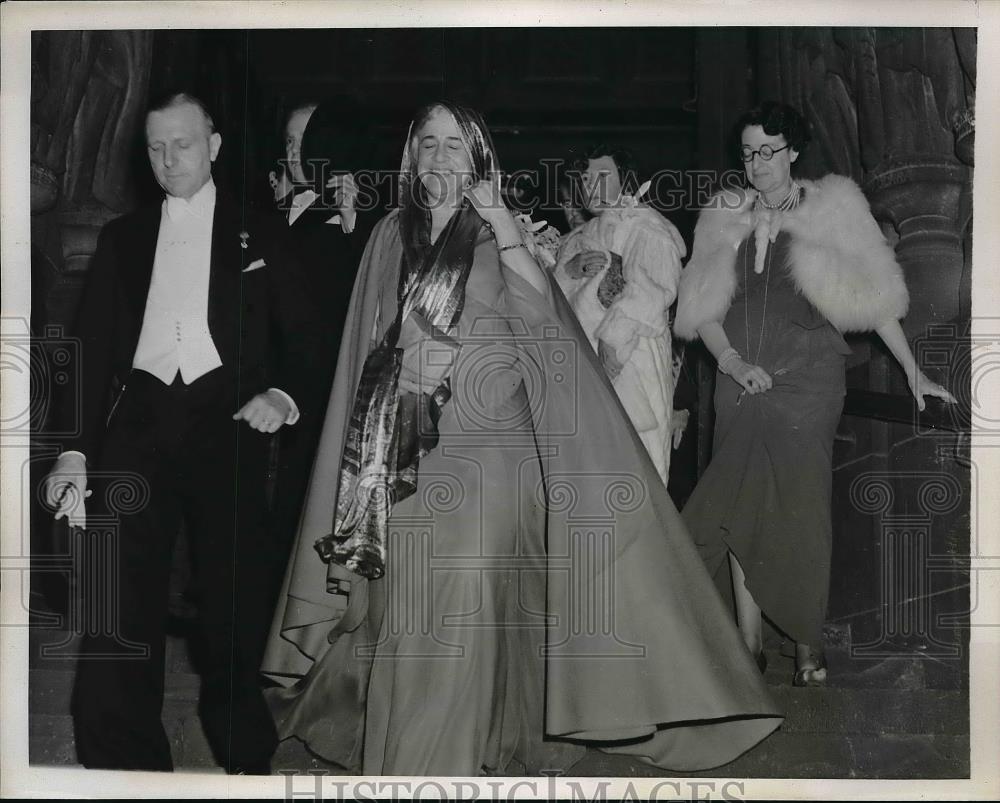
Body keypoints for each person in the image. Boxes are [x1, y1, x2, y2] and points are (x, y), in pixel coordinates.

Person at [262, 100, 783, 777]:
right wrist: (392, 370)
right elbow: (365, 340)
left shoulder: (498, 234)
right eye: (429, 143)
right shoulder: (389, 233)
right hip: (407, 447)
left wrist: (504, 220)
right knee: (409, 603)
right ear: (411, 155)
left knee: (466, 586)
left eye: (457, 145)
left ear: (478, 158)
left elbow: (543, 323)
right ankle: (433, 753)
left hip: (492, 451)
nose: (441, 158)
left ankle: (428, 767)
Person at [42, 91, 321, 773]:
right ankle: (123, 765)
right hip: (137, 423)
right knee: (116, 599)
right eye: (156, 147)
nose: (169, 159)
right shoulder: (123, 237)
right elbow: (90, 345)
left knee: (231, 602)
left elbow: (308, 340)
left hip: (225, 423)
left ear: (215, 145)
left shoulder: (263, 231)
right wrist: (74, 450)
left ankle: (245, 756)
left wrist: (282, 396)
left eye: (183, 144)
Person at [674, 101, 956, 686]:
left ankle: (806, 643)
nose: (757, 162)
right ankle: (747, 647)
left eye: (769, 150)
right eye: (748, 151)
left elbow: (876, 298)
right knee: (736, 503)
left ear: (794, 152)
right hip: (739, 373)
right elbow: (700, 309)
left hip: (808, 376)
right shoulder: (723, 214)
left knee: (800, 507)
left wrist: (912, 372)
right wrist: (730, 361)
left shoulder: (834, 206)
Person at [269, 97, 377, 555]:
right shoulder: (272, 210)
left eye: (308, 141)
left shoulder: (357, 212)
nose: (297, 152)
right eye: (291, 141)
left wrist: (353, 219)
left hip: (320, 383)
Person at [552, 145, 688, 484]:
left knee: (636, 463)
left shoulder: (650, 228)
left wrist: (612, 341)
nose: (591, 187)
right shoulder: (577, 240)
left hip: (631, 357)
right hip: (581, 365)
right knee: (586, 468)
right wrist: (567, 273)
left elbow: (653, 290)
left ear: (625, 180)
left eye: (602, 176)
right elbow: (549, 304)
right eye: (585, 179)